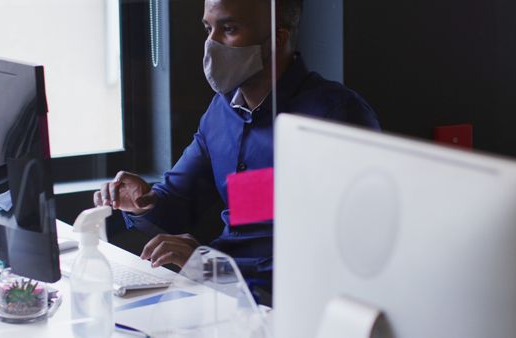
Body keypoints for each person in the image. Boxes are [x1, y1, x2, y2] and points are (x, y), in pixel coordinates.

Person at [94, 0, 380, 304]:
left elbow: (347, 252)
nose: (211, 44)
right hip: (223, 294)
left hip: (291, 307)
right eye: (208, 28)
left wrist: (212, 266)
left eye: (229, 29)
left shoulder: (336, 117)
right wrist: (143, 203)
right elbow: (179, 202)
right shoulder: (223, 111)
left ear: (278, 39)